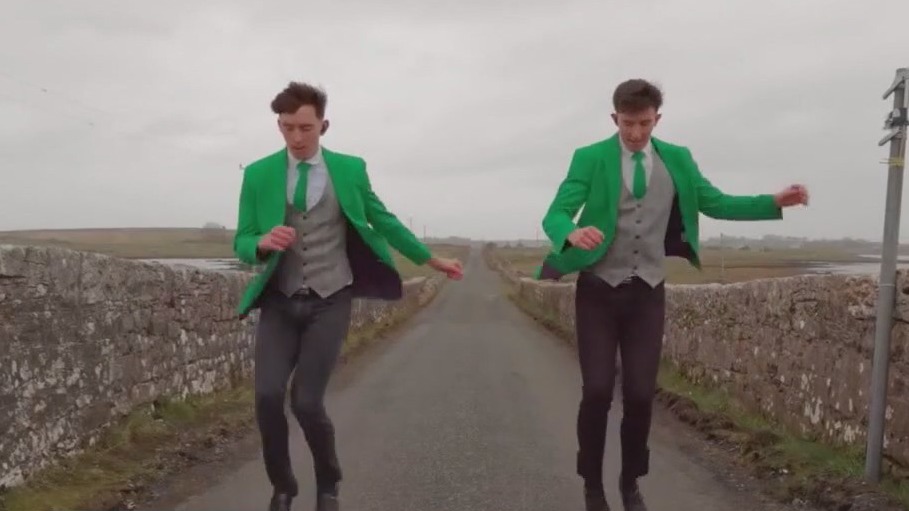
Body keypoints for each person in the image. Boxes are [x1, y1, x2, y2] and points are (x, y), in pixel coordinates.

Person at [536, 78, 808, 511]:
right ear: (614, 118)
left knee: (641, 395)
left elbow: (716, 202)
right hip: (598, 292)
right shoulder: (590, 157)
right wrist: (570, 231)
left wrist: (772, 201)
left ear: (657, 119)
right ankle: (592, 486)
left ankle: (630, 483)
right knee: (598, 391)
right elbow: (555, 213)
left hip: (647, 293)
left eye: (644, 124)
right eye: (627, 124)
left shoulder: (678, 159)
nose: (635, 133)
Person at [232, 81, 464, 511]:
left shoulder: (351, 170)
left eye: (305, 128)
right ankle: (283, 487)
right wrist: (260, 242)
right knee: (266, 397)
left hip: (330, 297)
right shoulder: (259, 174)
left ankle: (328, 483)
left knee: (306, 402)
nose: (296, 137)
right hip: (280, 299)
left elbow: (383, 221)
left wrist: (431, 259)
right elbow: (242, 240)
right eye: (287, 127)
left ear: (324, 125)